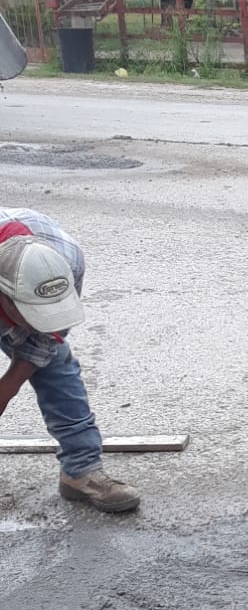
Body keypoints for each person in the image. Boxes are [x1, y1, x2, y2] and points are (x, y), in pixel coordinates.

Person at [0, 208, 140, 513]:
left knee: (55, 365)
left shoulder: (65, 257)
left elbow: (46, 340)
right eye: (31, 316)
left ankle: (81, 470)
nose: (42, 325)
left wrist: (7, 388)